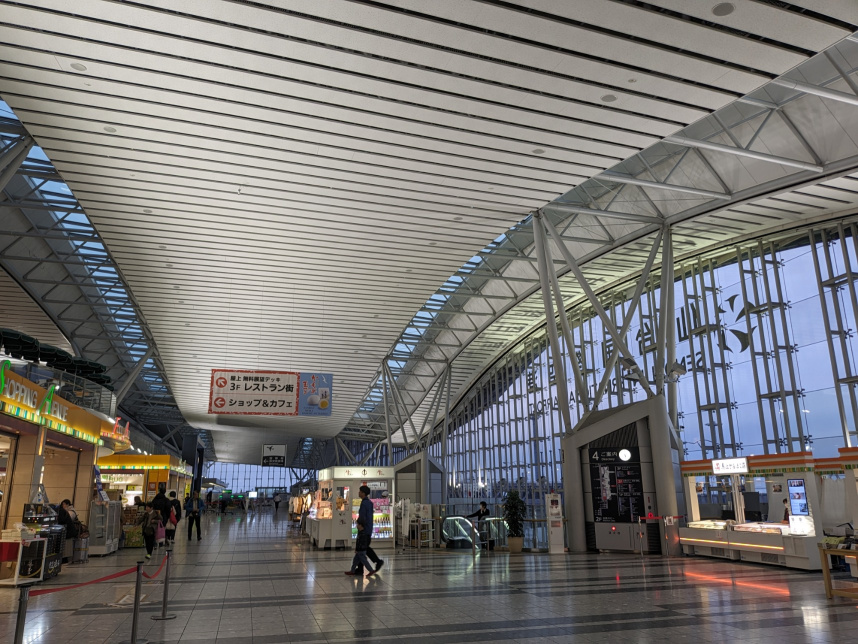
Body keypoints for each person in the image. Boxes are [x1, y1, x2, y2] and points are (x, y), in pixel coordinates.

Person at [356, 485, 384, 574]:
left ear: (363, 493)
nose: (358, 493)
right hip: (368, 528)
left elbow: (363, 516)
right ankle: (360, 568)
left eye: (360, 491)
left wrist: (360, 524)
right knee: (363, 548)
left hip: (364, 529)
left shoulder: (364, 503)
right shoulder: (369, 503)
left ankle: (377, 561)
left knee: (363, 548)